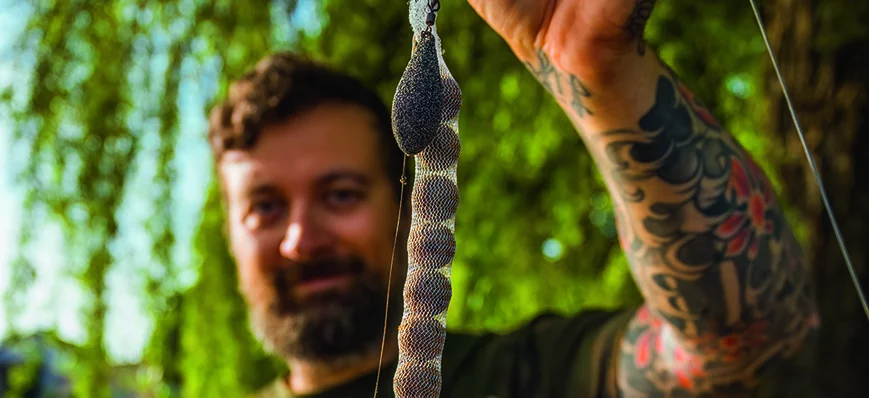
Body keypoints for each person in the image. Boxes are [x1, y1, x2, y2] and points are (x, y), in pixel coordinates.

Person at [206, 0, 819, 396]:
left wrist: (597, 68)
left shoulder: (535, 378)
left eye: (340, 194)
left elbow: (745, 338)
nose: (301, 238)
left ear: (403, 204)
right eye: (264, 206)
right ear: (229, 231)